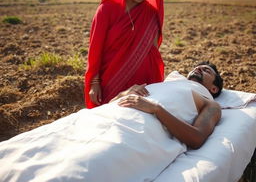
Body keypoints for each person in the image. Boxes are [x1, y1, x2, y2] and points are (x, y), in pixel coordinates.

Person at [0, 61, 223, 182]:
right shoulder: (166, 83)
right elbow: (117, 101)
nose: (199, 68)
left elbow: (196, 138)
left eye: (207, 70)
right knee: (41, 146)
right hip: (107, 115)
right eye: (198, 66)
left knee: (80, 165)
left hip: (142, 128)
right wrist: (126, 91)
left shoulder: (209, 102)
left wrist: (156, 109)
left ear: (214, 88)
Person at [85, 0, 165, 108]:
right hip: (111, 78)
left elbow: (153, 50)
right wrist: (94, 83)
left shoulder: (151, 13)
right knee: (108, 116)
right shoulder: (107, 9)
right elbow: (95, 49)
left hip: (145, 82)